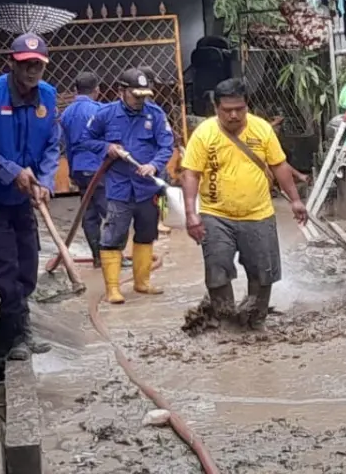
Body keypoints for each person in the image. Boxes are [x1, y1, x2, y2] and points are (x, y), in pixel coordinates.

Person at [0, 33, 60, 360]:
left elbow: (50, 146)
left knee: (28, 267)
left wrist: (44, 180)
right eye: (25, 65)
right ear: (12, 64)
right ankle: (15, 338)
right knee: (5, 269)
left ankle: (11, 337)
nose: (32, 72)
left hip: (22, 199)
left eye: (38, 66)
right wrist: (11, 170)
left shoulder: (47, 97)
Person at [181, 78, 307, 329]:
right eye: (227, 110)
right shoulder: (204, 134)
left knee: (263, 273)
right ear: (216, 108)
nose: (234, 115)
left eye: (240, 108)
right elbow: (191, 174)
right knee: (217, 270)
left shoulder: (262, 130)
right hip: (215, 214)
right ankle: (225, 323)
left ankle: (254, 321)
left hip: (258, 214)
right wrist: (191, 214)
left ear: (247, 105)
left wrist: (295, 200)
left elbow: (279, 165)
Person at [83, 68, 175, 304]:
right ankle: (113, 288)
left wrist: (154, 165)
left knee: (146, 234)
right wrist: (107, 148)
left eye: (144, 95)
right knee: (113, 236)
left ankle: (142, 282)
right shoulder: (106, 114)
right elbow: (85, 139)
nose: (141, 101)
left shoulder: (154, 114)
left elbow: (166, 145)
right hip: (119, 188)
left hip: (146, 189)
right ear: (121, 91)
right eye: (136, 95)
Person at [58, 72, 108, 264]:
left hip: (79, 168)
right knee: (111, 213)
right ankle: (112, 255)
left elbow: (67, 145)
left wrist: (72, 170)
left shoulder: (67, 113)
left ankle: (97, 257)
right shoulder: (100, 111)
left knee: (89, 213)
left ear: (75, 90)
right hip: (98, 168)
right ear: (97, 90)